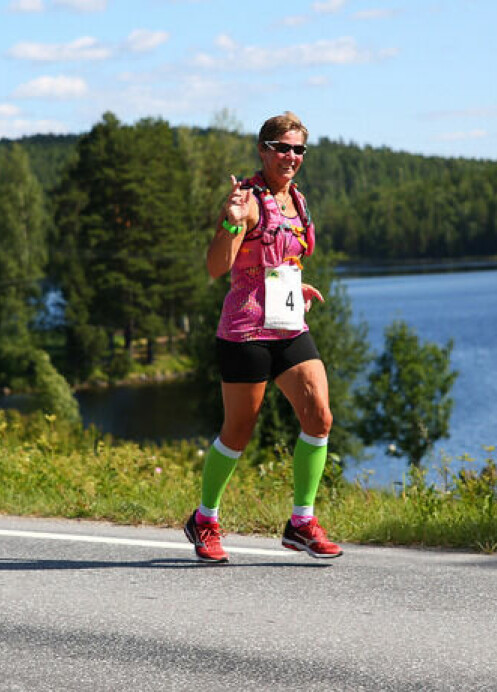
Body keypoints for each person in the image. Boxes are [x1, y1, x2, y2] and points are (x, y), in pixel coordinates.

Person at [184, 112, 343, 563]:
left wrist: (297, 283)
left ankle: (300, 522)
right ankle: (205, 519)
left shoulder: (298, 200)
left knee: (319, 417)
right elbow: (218, 267)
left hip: (288, 324)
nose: (290, 157)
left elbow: (284, 256)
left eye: (298, 149)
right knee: (238, 432)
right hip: (245, 331)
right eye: (281, 148)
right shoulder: (246, 200)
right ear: (263, 149)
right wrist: (232, 222)